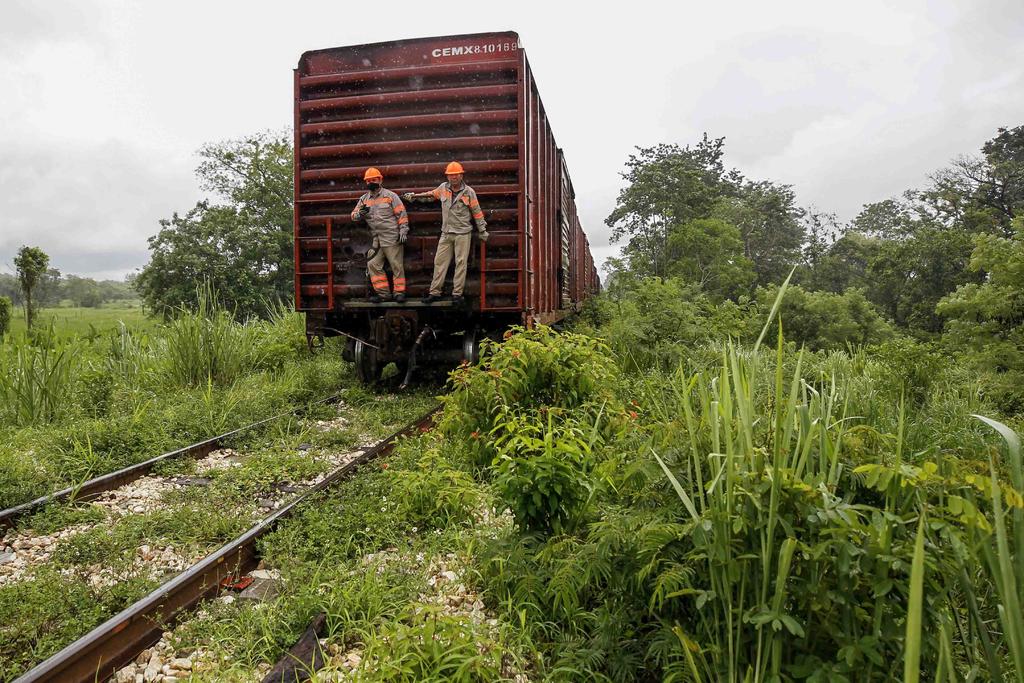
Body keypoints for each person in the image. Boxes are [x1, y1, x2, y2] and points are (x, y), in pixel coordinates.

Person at [403, 162, 489, 305]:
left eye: (456, 174)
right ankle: (435, 293)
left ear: (461, 175)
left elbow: (477, 212)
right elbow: (430, 195)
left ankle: (457, 295)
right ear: (447, 176)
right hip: (446, 233)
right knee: (439, 262)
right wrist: (414, 196)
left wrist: (482, 230)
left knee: (461, 264)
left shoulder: (469, 192)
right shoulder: (443, 188)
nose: (453, 177)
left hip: (463, 233)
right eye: (451, 175)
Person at [351, 167, 409, 303]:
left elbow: (402, 214)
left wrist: (403, 231)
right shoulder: (364, 199)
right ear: (366, 182)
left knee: (396, 265)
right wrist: (360, 214)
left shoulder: (391, 196)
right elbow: (353, 216)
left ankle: (399, 293)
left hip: (391, 236)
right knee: (373, 264)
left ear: (380, 180)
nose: (371, 182)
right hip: (375, 239)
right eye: (369, 180)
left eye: (374, 179)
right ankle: (384, 294)